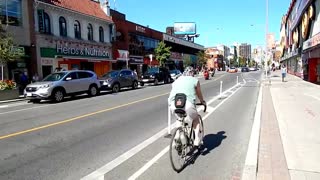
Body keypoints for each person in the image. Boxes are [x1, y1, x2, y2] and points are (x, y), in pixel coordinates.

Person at [168, 66, 206, 147]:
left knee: (179, 119)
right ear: (192, 73)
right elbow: (199, 94)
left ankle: (178, 135)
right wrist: (202, 102)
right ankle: (197, 140)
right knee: (195, 119)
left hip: (173, 103)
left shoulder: (177, 80)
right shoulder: (195, 80)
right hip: (188, 103)